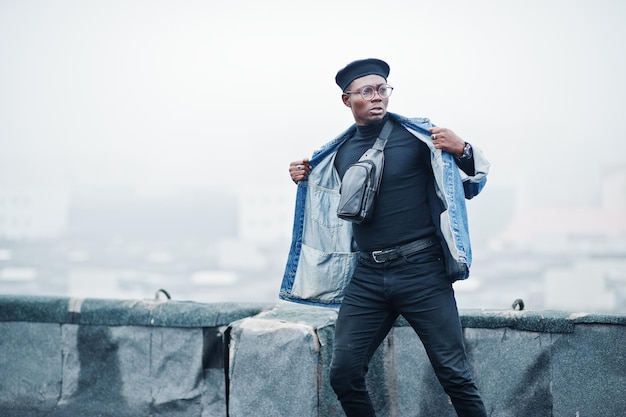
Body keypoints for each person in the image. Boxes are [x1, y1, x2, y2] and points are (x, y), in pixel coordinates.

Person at [279, 58, 489, 417]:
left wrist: (463, 149)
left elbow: (471, 185)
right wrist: (303, 176)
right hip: (368, 277)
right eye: (367, 91)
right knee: (343, 374)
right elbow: (325, 201)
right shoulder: (338, 153)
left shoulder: (419, 138)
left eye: (382, 89)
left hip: (422, 271)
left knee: (454, 374)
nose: (377, 97)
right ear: (348, 100)